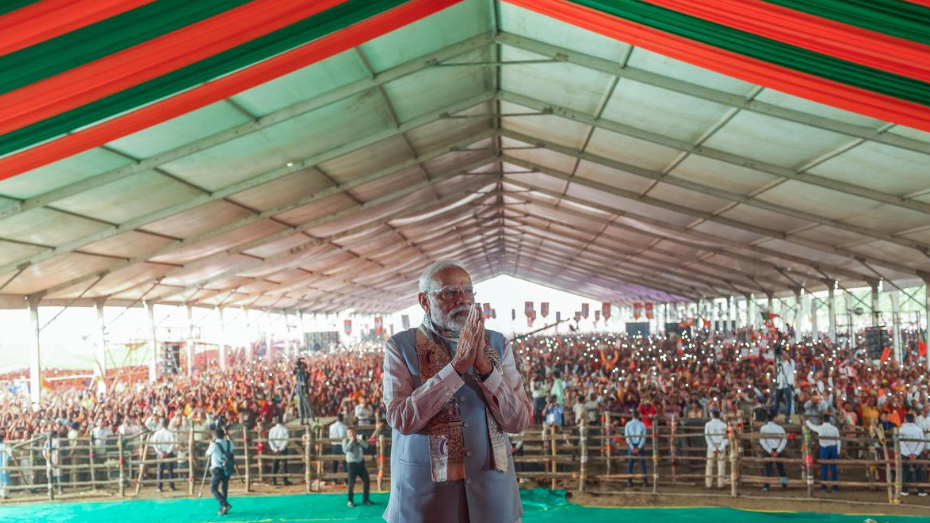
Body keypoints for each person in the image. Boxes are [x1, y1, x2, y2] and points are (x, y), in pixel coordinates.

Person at [382, 260, 532, 523]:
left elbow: (518, 420)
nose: (463, 300)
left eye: (469, 291)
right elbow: (402, 419)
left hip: (492, 496)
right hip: (427, 499)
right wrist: (457, 368)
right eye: (450, 292)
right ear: (424, 301)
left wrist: (485, 369)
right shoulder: (400, 346)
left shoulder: (497, 343)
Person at [806, 415, 841, 492]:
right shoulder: (834, 428)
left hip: (824, 448)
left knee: (824, 467)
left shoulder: (820, 428)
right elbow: (838, 440)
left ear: (822, 420)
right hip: (833, 448)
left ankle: (823, 487)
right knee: (833, 468)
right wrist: (838, 450)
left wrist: (807, 421)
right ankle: (835, 487)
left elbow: (812, 427)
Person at [206, 428, 234, 515]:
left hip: (217, 468)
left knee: (213, 488)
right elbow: (232, 446)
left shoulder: (214, 445)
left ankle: (224, 504)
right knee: (224, 488)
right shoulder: (229, 443)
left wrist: (210, 444)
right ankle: (223, 507)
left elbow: (207, 455)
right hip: (227, 468)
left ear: (215, 436)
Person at [343, 427, 373, 508]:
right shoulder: (345, 441)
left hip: (360, 464)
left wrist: (360, 441)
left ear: (355, 432)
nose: (352, 434)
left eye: (353, 432)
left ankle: (366, 499)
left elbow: (366, 446)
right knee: (351, 483)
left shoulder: (358, 439)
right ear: (347, 434)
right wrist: (351, 442)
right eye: (350, 433)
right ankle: (350, 501)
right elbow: (345, 450)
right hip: (351, 465)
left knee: (366, 480)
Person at [899, 413, 926, 496]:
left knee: (905, 471)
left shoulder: (901, 429)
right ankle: (921, 491)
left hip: (905, 453)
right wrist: (915, 453)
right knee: (919, 472)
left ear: (905, 420)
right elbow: (921, 443)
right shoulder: (918, 430)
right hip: (917, 454)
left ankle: (904, 490)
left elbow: (901, 443)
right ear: (914, 420)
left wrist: (908, 454)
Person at [758, 412, 787, 491]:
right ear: (774, 418)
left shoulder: (763, 428)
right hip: (777, 449)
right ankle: (784, 484)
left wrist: (769, 450)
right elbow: (784, 440)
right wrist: (778, 451)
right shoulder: (780, 428)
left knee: (768, 468)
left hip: (768, 450)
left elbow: (762, 441)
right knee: (781, 468)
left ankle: (766, 486)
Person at [151, 419, 177, 492]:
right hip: (168, 453)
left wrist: (160, 452)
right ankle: (171, 487)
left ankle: (159, 487)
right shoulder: (170, 433)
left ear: (161, 424)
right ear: (168, 424)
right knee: (170, 470)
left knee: (160, 470)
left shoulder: (156, 433)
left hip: (160, 453)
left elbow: (154, 444)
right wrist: (168, 452)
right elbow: (173, 443)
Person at [771, 348, 796, 423]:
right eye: (782, 353)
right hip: (780, 384)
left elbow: (788, 359)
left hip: (787, 384)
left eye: (785, 353)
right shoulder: (780, 362)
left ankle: (787, 417)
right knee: (776, 402)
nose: (783, 355)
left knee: (788, 402)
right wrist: (775, 363)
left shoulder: (791, 362)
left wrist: (784, 354)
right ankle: (773, 416)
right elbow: (775, 372)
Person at [704, 410, 728, 489]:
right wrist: (721, 447)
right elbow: (726, 438)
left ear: (712, 415)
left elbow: (707, 437)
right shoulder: (724, 425)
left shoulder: (708, 424)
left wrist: (713, 448)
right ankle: (720, 484)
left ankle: (708, 484)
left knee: (709, 465)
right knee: (721, 465)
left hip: (712, 445)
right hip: (721, 444)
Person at [624, 410, 648, 487]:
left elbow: (627, 437)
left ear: (632, 415)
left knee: (630, 464)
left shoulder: (628, 424)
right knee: (642, 464)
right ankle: (645, 481)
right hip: (639, 445)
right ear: (639, 415)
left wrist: (632, 447)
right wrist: (639, 447)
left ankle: (629, 481)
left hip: (631, 444)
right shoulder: (642, 425)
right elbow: (643, 438)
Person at [268, 416, 291, 486]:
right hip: (283, 449)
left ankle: (273, 480)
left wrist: (275, 449)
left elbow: (270, 440)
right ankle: (285, 480)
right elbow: (286, 441)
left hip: (275, 449)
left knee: (275, 464)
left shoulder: (272, 430)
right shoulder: (285, 429)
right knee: (284, 464)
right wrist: (281, 449)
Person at [0, 433, 9, 498]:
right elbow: (9, 455)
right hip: (4, 464)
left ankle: (2, 494)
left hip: (3, 463)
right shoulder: (5, 446)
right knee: (4, 479)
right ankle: (4, 494)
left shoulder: (5, 446)